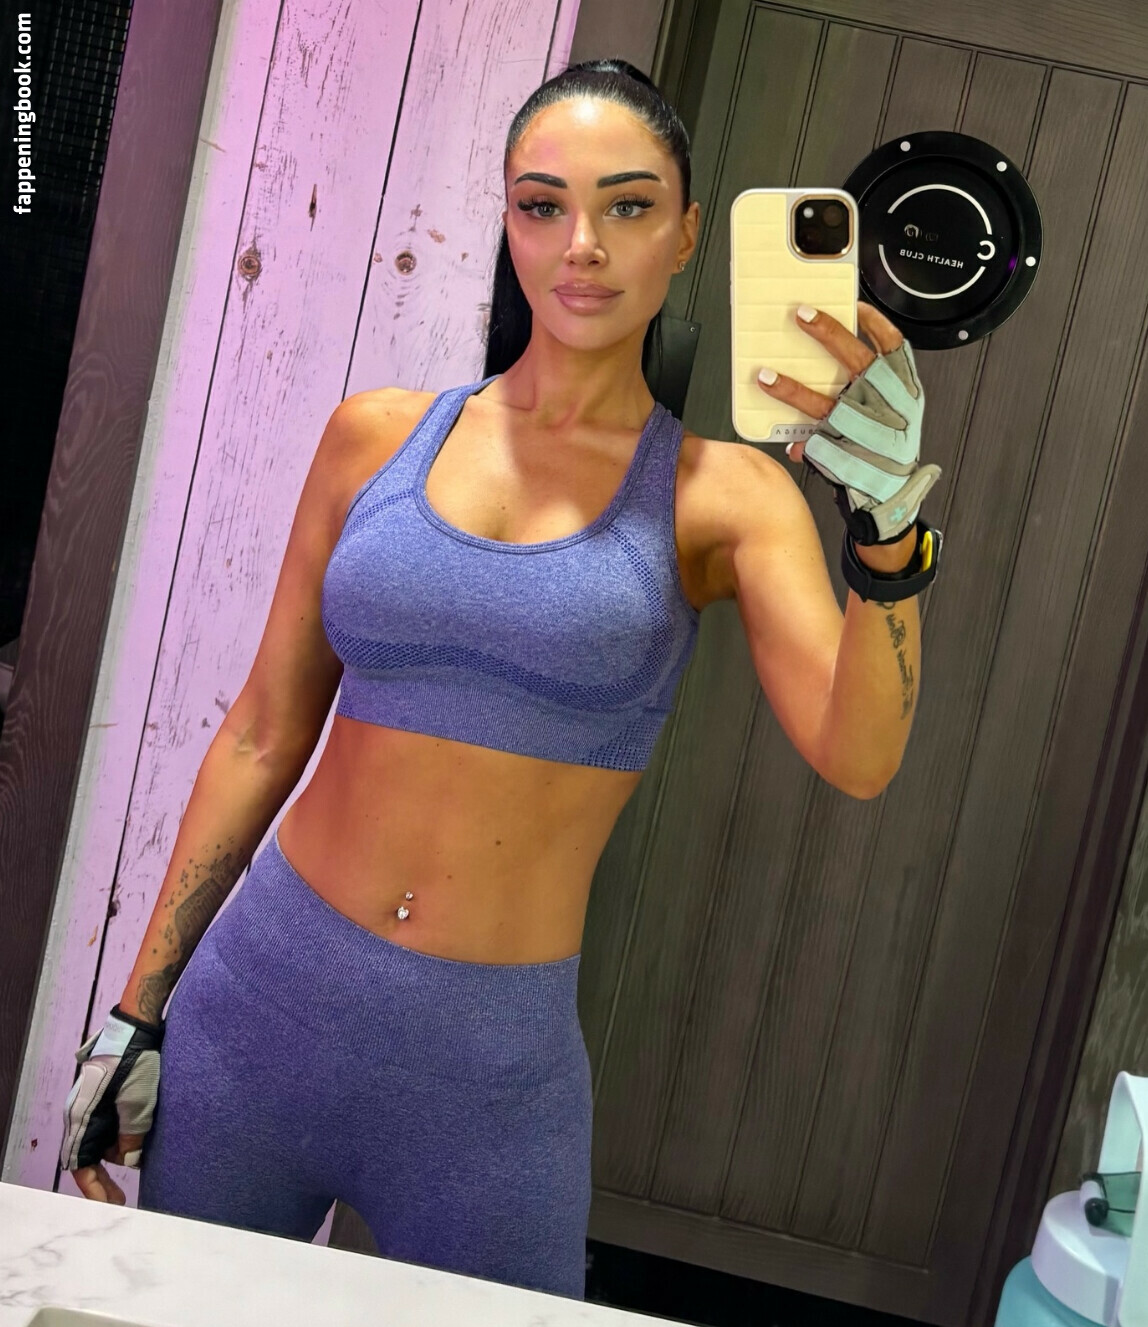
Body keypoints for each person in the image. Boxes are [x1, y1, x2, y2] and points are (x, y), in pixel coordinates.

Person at [59, 58, 941, 1300]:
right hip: (260, 1013)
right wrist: (138, 1009)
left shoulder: (724, 496)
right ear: (509, 221)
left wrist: (888, 534)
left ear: (688, 234)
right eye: (542, 204)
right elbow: (262, 732)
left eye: (627, 205)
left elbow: (858, 757)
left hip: (484, 1077)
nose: (581, 244)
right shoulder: (374, 435)